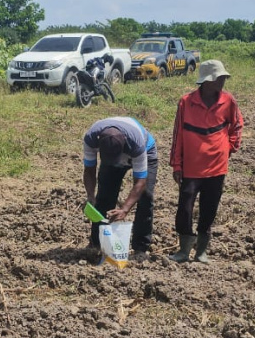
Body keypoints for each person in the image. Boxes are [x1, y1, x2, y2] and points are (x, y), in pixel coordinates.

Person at [168, 59, 243, 263]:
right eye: (218, 78)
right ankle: (184, 250)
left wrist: (230, 147)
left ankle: (201, 251)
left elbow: (237, 126)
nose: (222, 82)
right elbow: (178, 135)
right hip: (191, 167)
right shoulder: (186, 102)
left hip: (217, 166)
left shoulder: (228, 101)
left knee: (209, 209)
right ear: (207, 81)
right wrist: (177, 164)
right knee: (184, 208)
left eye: (223, 78)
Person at [82, 117, 158, 261]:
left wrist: (125, 209)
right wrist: (90, 196)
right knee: (104, 196)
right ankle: (97, 243)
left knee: (146, 196)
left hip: (146, 151)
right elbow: (89, 170)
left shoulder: (137, 144)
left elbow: (140, 182)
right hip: (116, 150)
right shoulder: (91, 138)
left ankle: (140, 247)